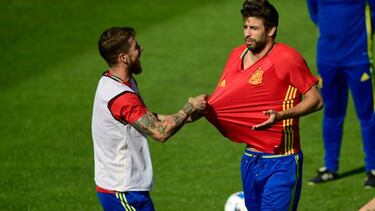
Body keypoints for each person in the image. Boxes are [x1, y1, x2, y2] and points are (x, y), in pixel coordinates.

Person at [201, 0, 323, 210]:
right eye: (245, 27)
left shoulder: (287, 58)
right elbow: (225, 97)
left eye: (254, 28)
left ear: (271, 30)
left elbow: (316, 100)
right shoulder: (236, 54)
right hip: (250, 158)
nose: (247, 33)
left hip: (282, 160)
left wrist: (281, 115)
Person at [91, 27, 207, 211]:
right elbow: (159, 133)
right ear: (124, 57)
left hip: (126, 188)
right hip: (122, 190)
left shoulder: (115, 81)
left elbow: (147, 118)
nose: (141, 49)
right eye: (136, 47)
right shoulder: (121, 96)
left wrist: (186, 117)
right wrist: (188, 107)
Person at [306, 0, 375, 188]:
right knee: (332, 113)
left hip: (358, 58)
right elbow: (314, 13)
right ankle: (330, 167)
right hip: (327, 58)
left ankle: (373, 168)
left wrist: (359, 36)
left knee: (367, 113)